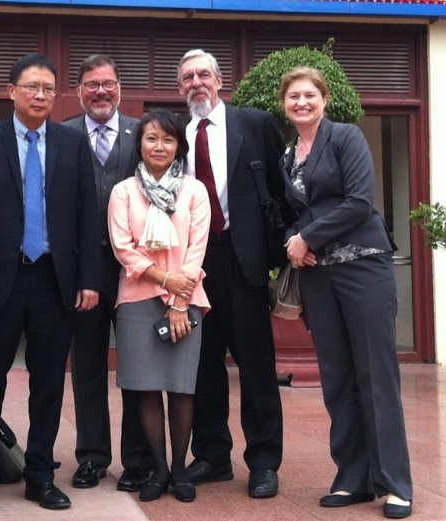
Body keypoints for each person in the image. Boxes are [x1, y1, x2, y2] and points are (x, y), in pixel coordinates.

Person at [0, 53, 100, 515]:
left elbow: (86, 214)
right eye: (31, 87)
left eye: (48, 89)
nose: (40, 95)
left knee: (48, 384)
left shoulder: (72, 143)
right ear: (11, 90)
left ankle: (39, 474)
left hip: (55, 280)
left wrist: (88, 279)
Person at [279, 66, 412, 519]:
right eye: (293, 96)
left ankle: (395, 484)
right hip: (319, 278)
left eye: (309, 95)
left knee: (376, 375)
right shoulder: (288, 154)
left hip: (363, 268)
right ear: (284, 103)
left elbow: (359, 201)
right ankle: (353, 478)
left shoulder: (346, 137)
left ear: (324, 98)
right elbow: (296, 213)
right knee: (337, 379)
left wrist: (309, 238)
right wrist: (296, 245)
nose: (301, 102)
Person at [177, 49, 287, 498]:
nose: (196, 82)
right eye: (187, 77)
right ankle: (212, 455)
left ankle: (263, 460)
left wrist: (284, 252)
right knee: (202, 365)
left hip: (244, 261)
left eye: (204, 74)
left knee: (256, 364)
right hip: (194, 265)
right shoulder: (176, 133)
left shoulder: (254, 123)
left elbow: (281, 188)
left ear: (220, 81)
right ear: (180, 87)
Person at [107, 108, 210, 503]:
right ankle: (159, 469)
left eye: (168, 139)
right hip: (137, 299)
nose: (159, 146)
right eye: (151, 138)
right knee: (147, 389)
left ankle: (181, 468)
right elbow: (123, 248)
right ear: (139, 144)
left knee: (181, 388)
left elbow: (196, 249)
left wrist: (180, 302)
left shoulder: (193, 190)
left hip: (186, 300)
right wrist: (165, 280)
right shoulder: (123, 192)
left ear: (178, 145)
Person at [62, 54, 152, 493]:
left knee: (135, 367)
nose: (101, 91)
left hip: (136, 271)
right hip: (83, 274)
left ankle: (137, 459)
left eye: (109, 84)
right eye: (92, 84)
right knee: (88, 367)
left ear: (120, 88)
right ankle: (93, 456)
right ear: (79, 90)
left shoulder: (142, 134)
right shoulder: (62, 135)